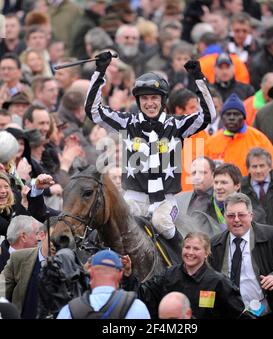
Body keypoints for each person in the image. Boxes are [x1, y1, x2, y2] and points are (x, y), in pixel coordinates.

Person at [85, 51, 216, 253]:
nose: (150, 103)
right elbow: (93, 111)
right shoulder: (127, 123)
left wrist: (198, 79)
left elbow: (208, 115)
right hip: (133, 197)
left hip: (166, 200)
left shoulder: (177, 125)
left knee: (161, 222)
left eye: (154, 98)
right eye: (145, 98)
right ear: (138, 101)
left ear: (163, 101)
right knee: (112, 220)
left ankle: (181, 260)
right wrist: (100, 72)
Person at [209, 192, 273, 318]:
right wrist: (206, 312)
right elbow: (207, 282)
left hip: (267, 313)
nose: (236, 219)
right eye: (231, 215)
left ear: (251, 216)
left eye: (241, 215)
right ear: (224, 216)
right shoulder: (214, 244)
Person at [122, 231, 247, 319]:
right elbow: (141, 296)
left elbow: (239, 313)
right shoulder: (167, 276)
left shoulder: (218, 282)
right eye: (187, 247)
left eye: (196, 249)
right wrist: (128, 274)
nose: (190, 252)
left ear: (206, 253)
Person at [204, 92, 273, 175]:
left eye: (236, 114)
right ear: (222, 117)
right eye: (228, 114)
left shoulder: (258, 138)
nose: (231, 118)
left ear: (244, 117)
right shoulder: (211, 142)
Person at [57, 249, 150, 319]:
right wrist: (128, 274)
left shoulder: (69, 311)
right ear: (120, 274)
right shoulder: (137, 308)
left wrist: (83, 271)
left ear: (91, 272)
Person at [4, 217, 56, 318]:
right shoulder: (19, 258)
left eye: (62, 239)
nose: (56, 244)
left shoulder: (70, 266)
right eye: (53, 238)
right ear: (42, 235)